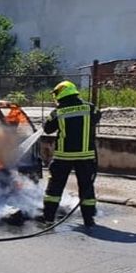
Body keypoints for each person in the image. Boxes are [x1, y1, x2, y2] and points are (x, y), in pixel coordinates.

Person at [41, 80, 101, 228]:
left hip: (63, 156)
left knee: (55, 188)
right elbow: (97, 117)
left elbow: (47, 129)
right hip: (86, 156)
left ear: (61, 94)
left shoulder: (58, 112)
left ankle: (48, 218)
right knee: (86, 188)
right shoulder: (90, 108)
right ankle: (89, 220)